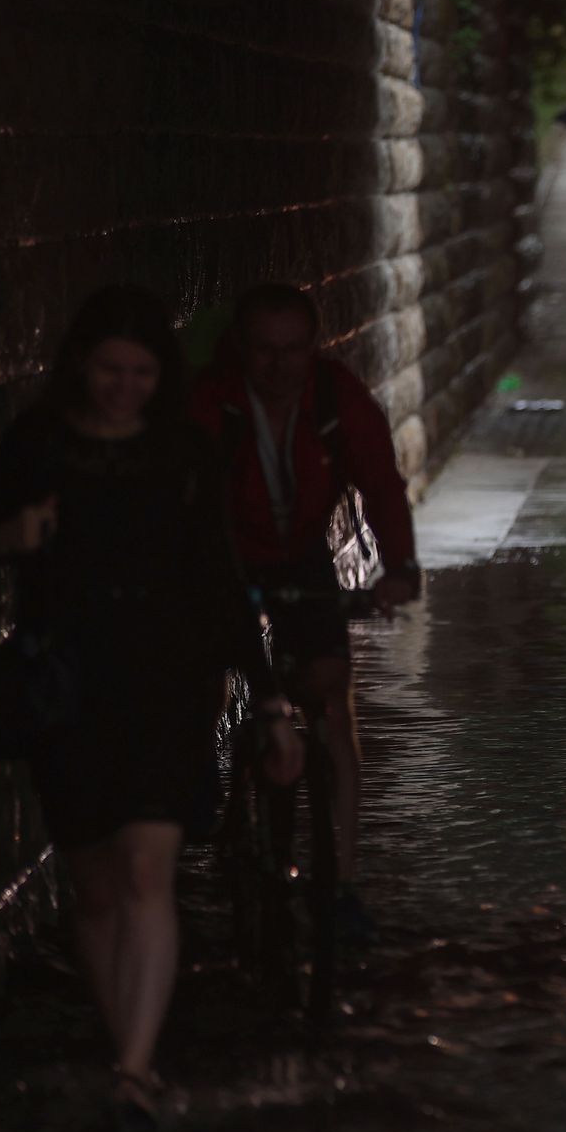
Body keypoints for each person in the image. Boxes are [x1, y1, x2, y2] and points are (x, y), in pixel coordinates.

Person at [0, 285, 305, 1132]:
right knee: (98, 886)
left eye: (142, 373)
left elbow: (221, 580)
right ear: (81, 364)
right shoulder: (39, 444)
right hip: (69, 685)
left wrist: (269, 698)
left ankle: (135, 1069)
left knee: (148, 870)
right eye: (110, 370)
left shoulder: (183, 453)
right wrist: (10, 538)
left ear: (162, 376)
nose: (124, 388)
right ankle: (128, 1052)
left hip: (165, 682)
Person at [187, 283, 420, 944]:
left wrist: (397, 569)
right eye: (264, 351)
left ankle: (341, 883)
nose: (279, 366)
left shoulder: (334, 399)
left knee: (331, 706)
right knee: (208, 668)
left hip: (300, 555)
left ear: (314, 348)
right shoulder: (212, 404)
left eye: (294, 350)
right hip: (224, 553)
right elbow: (182, 496)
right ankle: (203, 758)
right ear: (240, 349)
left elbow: (379, 480)